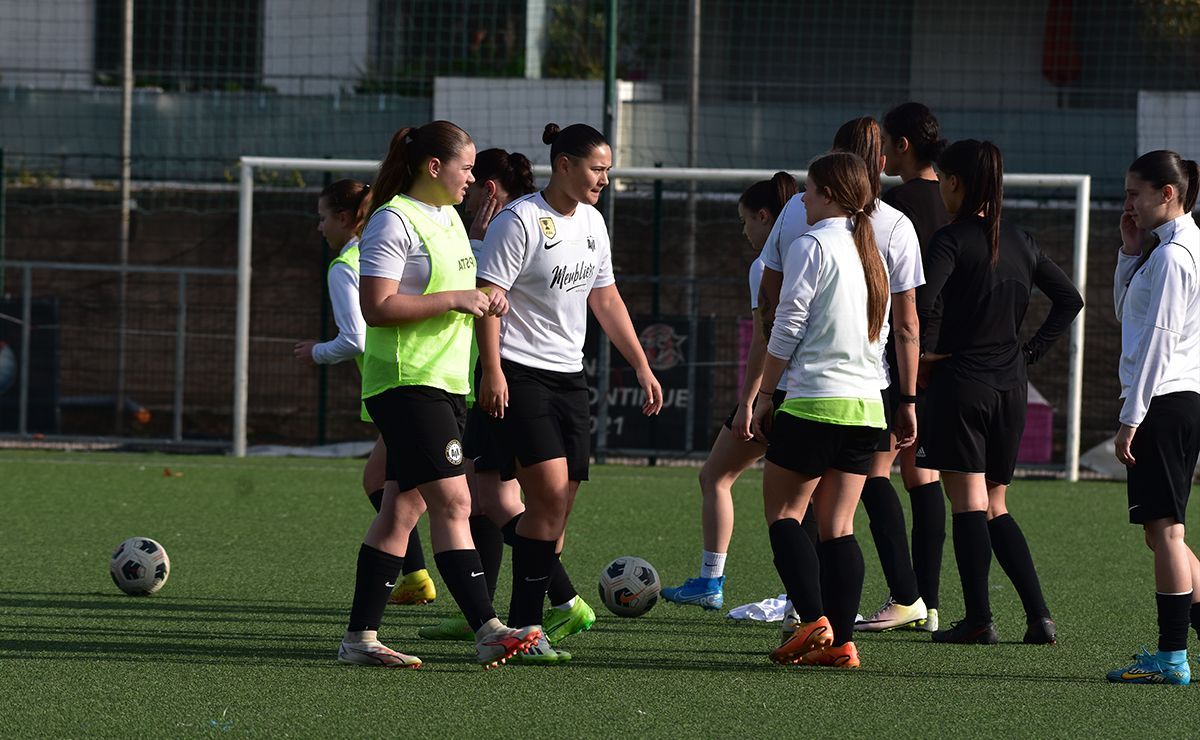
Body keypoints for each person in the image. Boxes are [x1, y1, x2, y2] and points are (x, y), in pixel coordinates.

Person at [337, 120, 539, 670]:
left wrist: (484, 300)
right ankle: (489, 628)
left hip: (446, 383)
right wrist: (456, 299)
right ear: (434, 167)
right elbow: (377, 307)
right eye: (466, 167)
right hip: (406, 381)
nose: (472, 178)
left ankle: (359, 640)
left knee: (400, 510)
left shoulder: (448, 217)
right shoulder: (391, 220)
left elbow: (461, 291)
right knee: (455, 502)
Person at [476, 122, 663, 664]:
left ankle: (534, 622)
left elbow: (605, 298)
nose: (604, 179)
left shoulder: (594, 222)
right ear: (564, 165)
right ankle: (527, 625)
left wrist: (643, 366)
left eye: (607, 169)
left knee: (558, 512)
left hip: (569, 378)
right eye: (597, 169)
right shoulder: (519, 221)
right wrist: (492, 372)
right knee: (548, 497)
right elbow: (491, 301)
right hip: (521, 373)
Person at [418, 149, 597, 656]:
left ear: (490, 190)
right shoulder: (492, 233)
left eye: (476, 179)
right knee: (485, 500)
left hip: (492, 383)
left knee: (502, 501)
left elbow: (484, 295)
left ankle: (541, 608)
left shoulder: (505, 231)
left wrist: (494, 370)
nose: (469, 185)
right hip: (483, 383)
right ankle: (489, 613)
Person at [756, 117, 923, 642]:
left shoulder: (812, 244)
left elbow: (786, 325)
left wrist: (763, 394)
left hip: (812, 401)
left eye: (806, 190)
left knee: (785, 515)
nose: (800, 199)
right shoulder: (871, 249)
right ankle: (843, 641)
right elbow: (891, 331)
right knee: (840, 528)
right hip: (867, 406)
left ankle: (811, 625)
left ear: (828, 195)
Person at [917, 139, 1082, 645]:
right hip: (1012, 387)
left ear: (957, 183)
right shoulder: (1022, 240)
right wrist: (1029, 353)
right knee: (996, 504)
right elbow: (1070, 299)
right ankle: (1039, 617)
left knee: (967, 503)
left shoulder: (949, 240)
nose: (941, 188)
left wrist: (925, 352)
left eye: (944, 180)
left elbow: (919, 304)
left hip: (963, 384)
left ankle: (980, 621)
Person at [294, 178, 436, 607]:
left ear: (342, 217)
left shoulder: (346, 264)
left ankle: (541, 591)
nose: (319, 228)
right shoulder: (393, 245)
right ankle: (414, 576)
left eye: (322, 218)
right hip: (426, 375)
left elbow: (354, 338)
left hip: (398, 382)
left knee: (454, 499)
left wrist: (315, 353)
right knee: (382, 481)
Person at [661, 172, 798, 611]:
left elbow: (764, 338)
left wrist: (750, 403)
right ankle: (804, 597)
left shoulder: (767, 263)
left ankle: (719, 582)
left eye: (745, 221)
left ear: (764, 216)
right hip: (828, 392)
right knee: (811, 499)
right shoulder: (819, 249)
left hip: (781, 396)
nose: (745, 232)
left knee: (720, 478)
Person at [855, 103, 951, 632]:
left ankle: (905, 595)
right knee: (923, 474)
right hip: (947, 354)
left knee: (874, 472)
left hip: (899, 353)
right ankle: (929, 604)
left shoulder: (893, 210)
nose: (884, 153)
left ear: (905, 146)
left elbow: (894, 296)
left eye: (888, 144)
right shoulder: (956, 200)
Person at [1107, 150, 1200, 685]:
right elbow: (1129, 316)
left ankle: (1171, 658)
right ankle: (1176, 654)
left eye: (1135, 193)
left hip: (1162, 404)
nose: (1129, 204)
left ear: (1168, 193)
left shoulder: (1173, 256)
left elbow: (1158, 344)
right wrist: (1127, 252)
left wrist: (1131, 416)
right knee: (1163, 534)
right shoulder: (1163, 249)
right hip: (1173, 402)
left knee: (1166, 533)